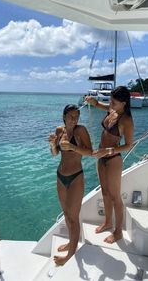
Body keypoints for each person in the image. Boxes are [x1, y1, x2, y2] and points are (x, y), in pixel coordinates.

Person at [85, 86, 134, 244]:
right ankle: (108, 222)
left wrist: (109, 150)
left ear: (124, 103)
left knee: (115, 196)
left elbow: (128, 145)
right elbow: (100, 105)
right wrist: (93, 102)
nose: (110, 104)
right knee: (105, 193)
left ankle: (118, 231)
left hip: (113, 160)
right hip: (102, 157)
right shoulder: (112, 110)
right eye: (110, 101)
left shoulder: (126, 120)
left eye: (113, 102)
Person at [48, 104, 92, 265]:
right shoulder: (59, 131)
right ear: (64, 117)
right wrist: (53, 145)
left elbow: (90, 152)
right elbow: (54, 154)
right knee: (66, 215)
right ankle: (70, 242)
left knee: (73, 218)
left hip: (75, 177)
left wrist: (73, 146)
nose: (74, 120)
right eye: (71, 116)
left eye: (77, 116)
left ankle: (70, 254)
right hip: (60, 176)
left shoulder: (81, 131)